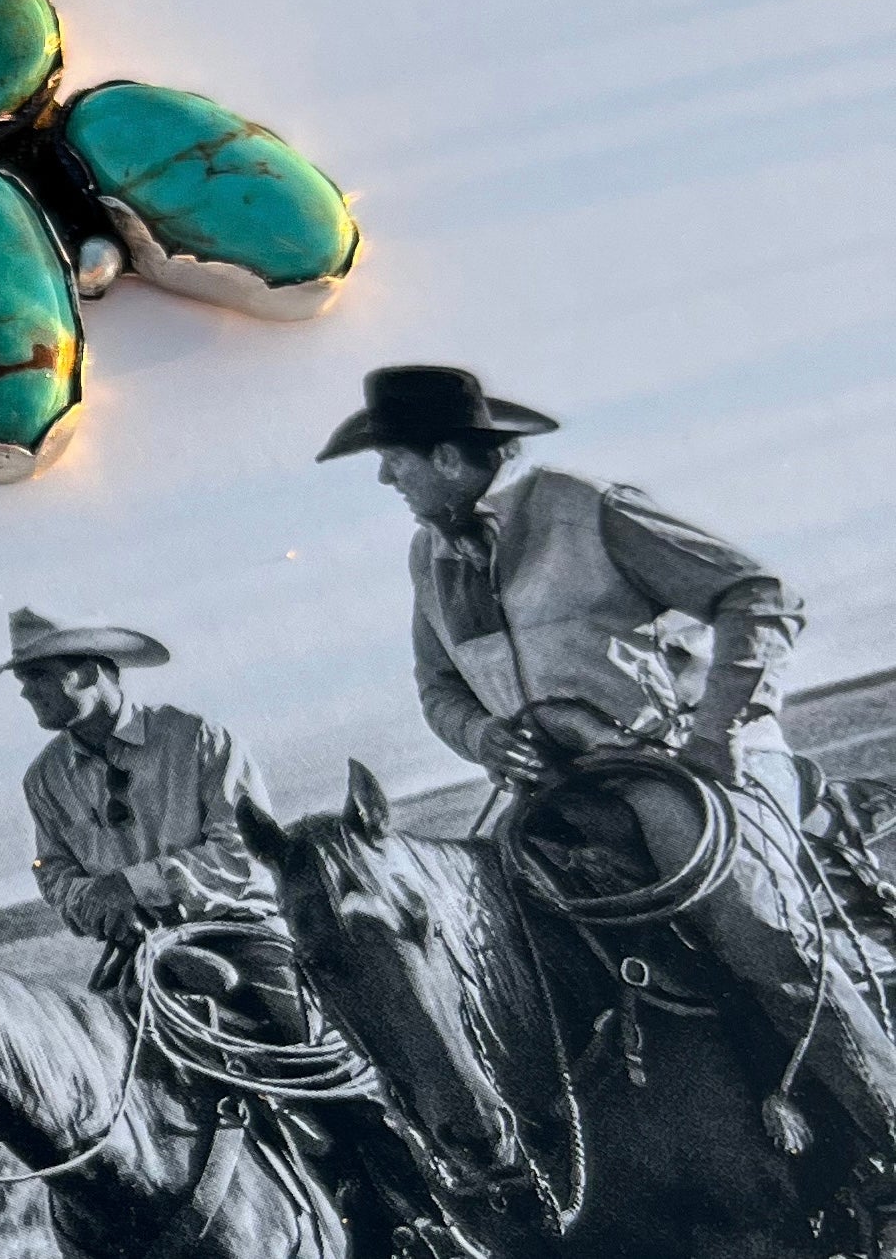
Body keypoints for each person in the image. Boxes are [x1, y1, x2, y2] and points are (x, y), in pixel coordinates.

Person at [318, 362, 896, 1238]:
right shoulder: (428, 554)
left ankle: (885, 1134)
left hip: (687, 767)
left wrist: (717, 731)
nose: (384, 479)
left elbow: (757, 596)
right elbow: (437, 686)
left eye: (391, 459)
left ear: (445, 456)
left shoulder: (586, 507)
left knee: (761, 936)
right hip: (557, 793)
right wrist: (483, 737)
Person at [0, 607, 305, 1039]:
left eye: (38, 675)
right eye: (23, 679)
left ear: (88, 673)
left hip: (238, 935)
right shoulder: (45, 779)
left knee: (296, 1045)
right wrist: (91, 901)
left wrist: (132, 886)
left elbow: (242, 852)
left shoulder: (199, 740)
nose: (26, 692)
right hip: (137, 955)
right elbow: (51, 870)